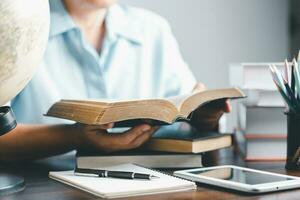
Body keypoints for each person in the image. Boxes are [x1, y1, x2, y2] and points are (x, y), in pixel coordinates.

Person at [0, 0, 230, 162]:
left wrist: (203, 117)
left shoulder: (153, 30)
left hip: (146, 182)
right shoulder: (16, 26)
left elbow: (182, 114)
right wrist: (73, 137)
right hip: (39, 185)